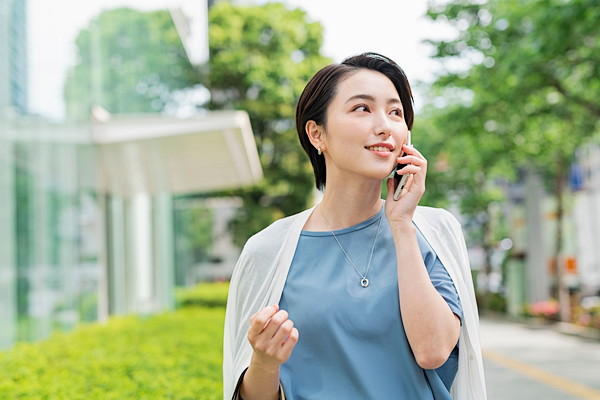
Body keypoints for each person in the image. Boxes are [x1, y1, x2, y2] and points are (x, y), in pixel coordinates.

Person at [223, 52, 487, 400]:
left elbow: (433, 350)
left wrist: (401, 224)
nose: (385, 125)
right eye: (362, 108)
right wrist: (265, 362)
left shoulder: (431, 232)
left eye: (395, 112)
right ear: (317, 134)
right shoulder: (269, 249)